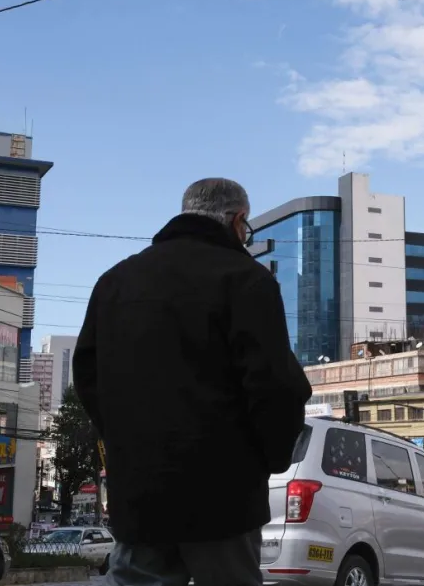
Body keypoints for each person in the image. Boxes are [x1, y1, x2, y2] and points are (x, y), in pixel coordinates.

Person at [73, 178, 312, 586]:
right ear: (237, 221)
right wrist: (271, 459)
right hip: (224, 496)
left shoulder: (114, 281)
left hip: (141, 493)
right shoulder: (247, 280)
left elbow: (88, 377)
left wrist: (127, 443)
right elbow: (275, 386)